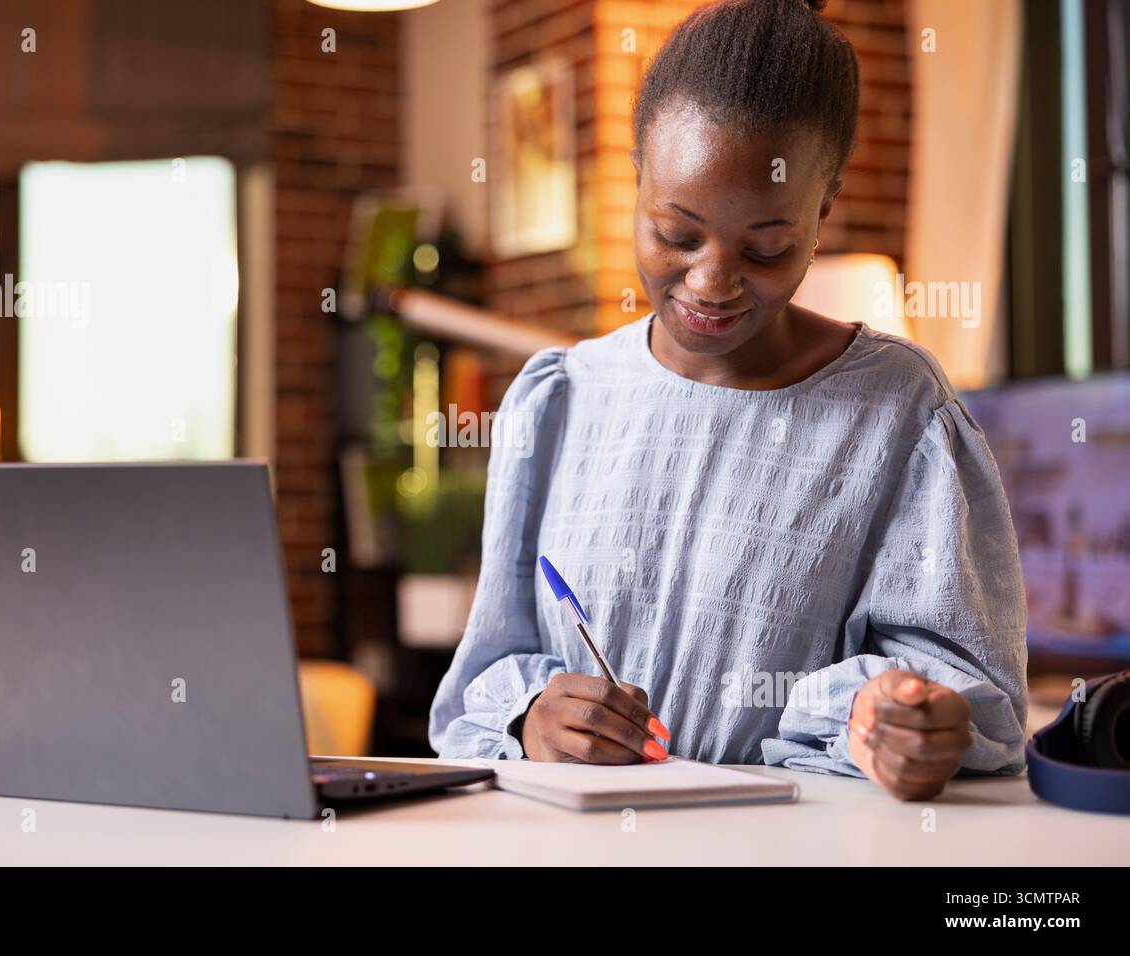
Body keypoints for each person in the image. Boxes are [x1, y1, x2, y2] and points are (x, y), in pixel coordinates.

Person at [427, 0, 1027, 801]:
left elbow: (969, 698)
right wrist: (534, 713)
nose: (711, 282)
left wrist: (903, 721)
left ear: (823, 210)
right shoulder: (559, 401)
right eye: (677, 235)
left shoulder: (900, 414)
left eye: (767, 247)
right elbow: (486, 680)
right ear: (637, 176)